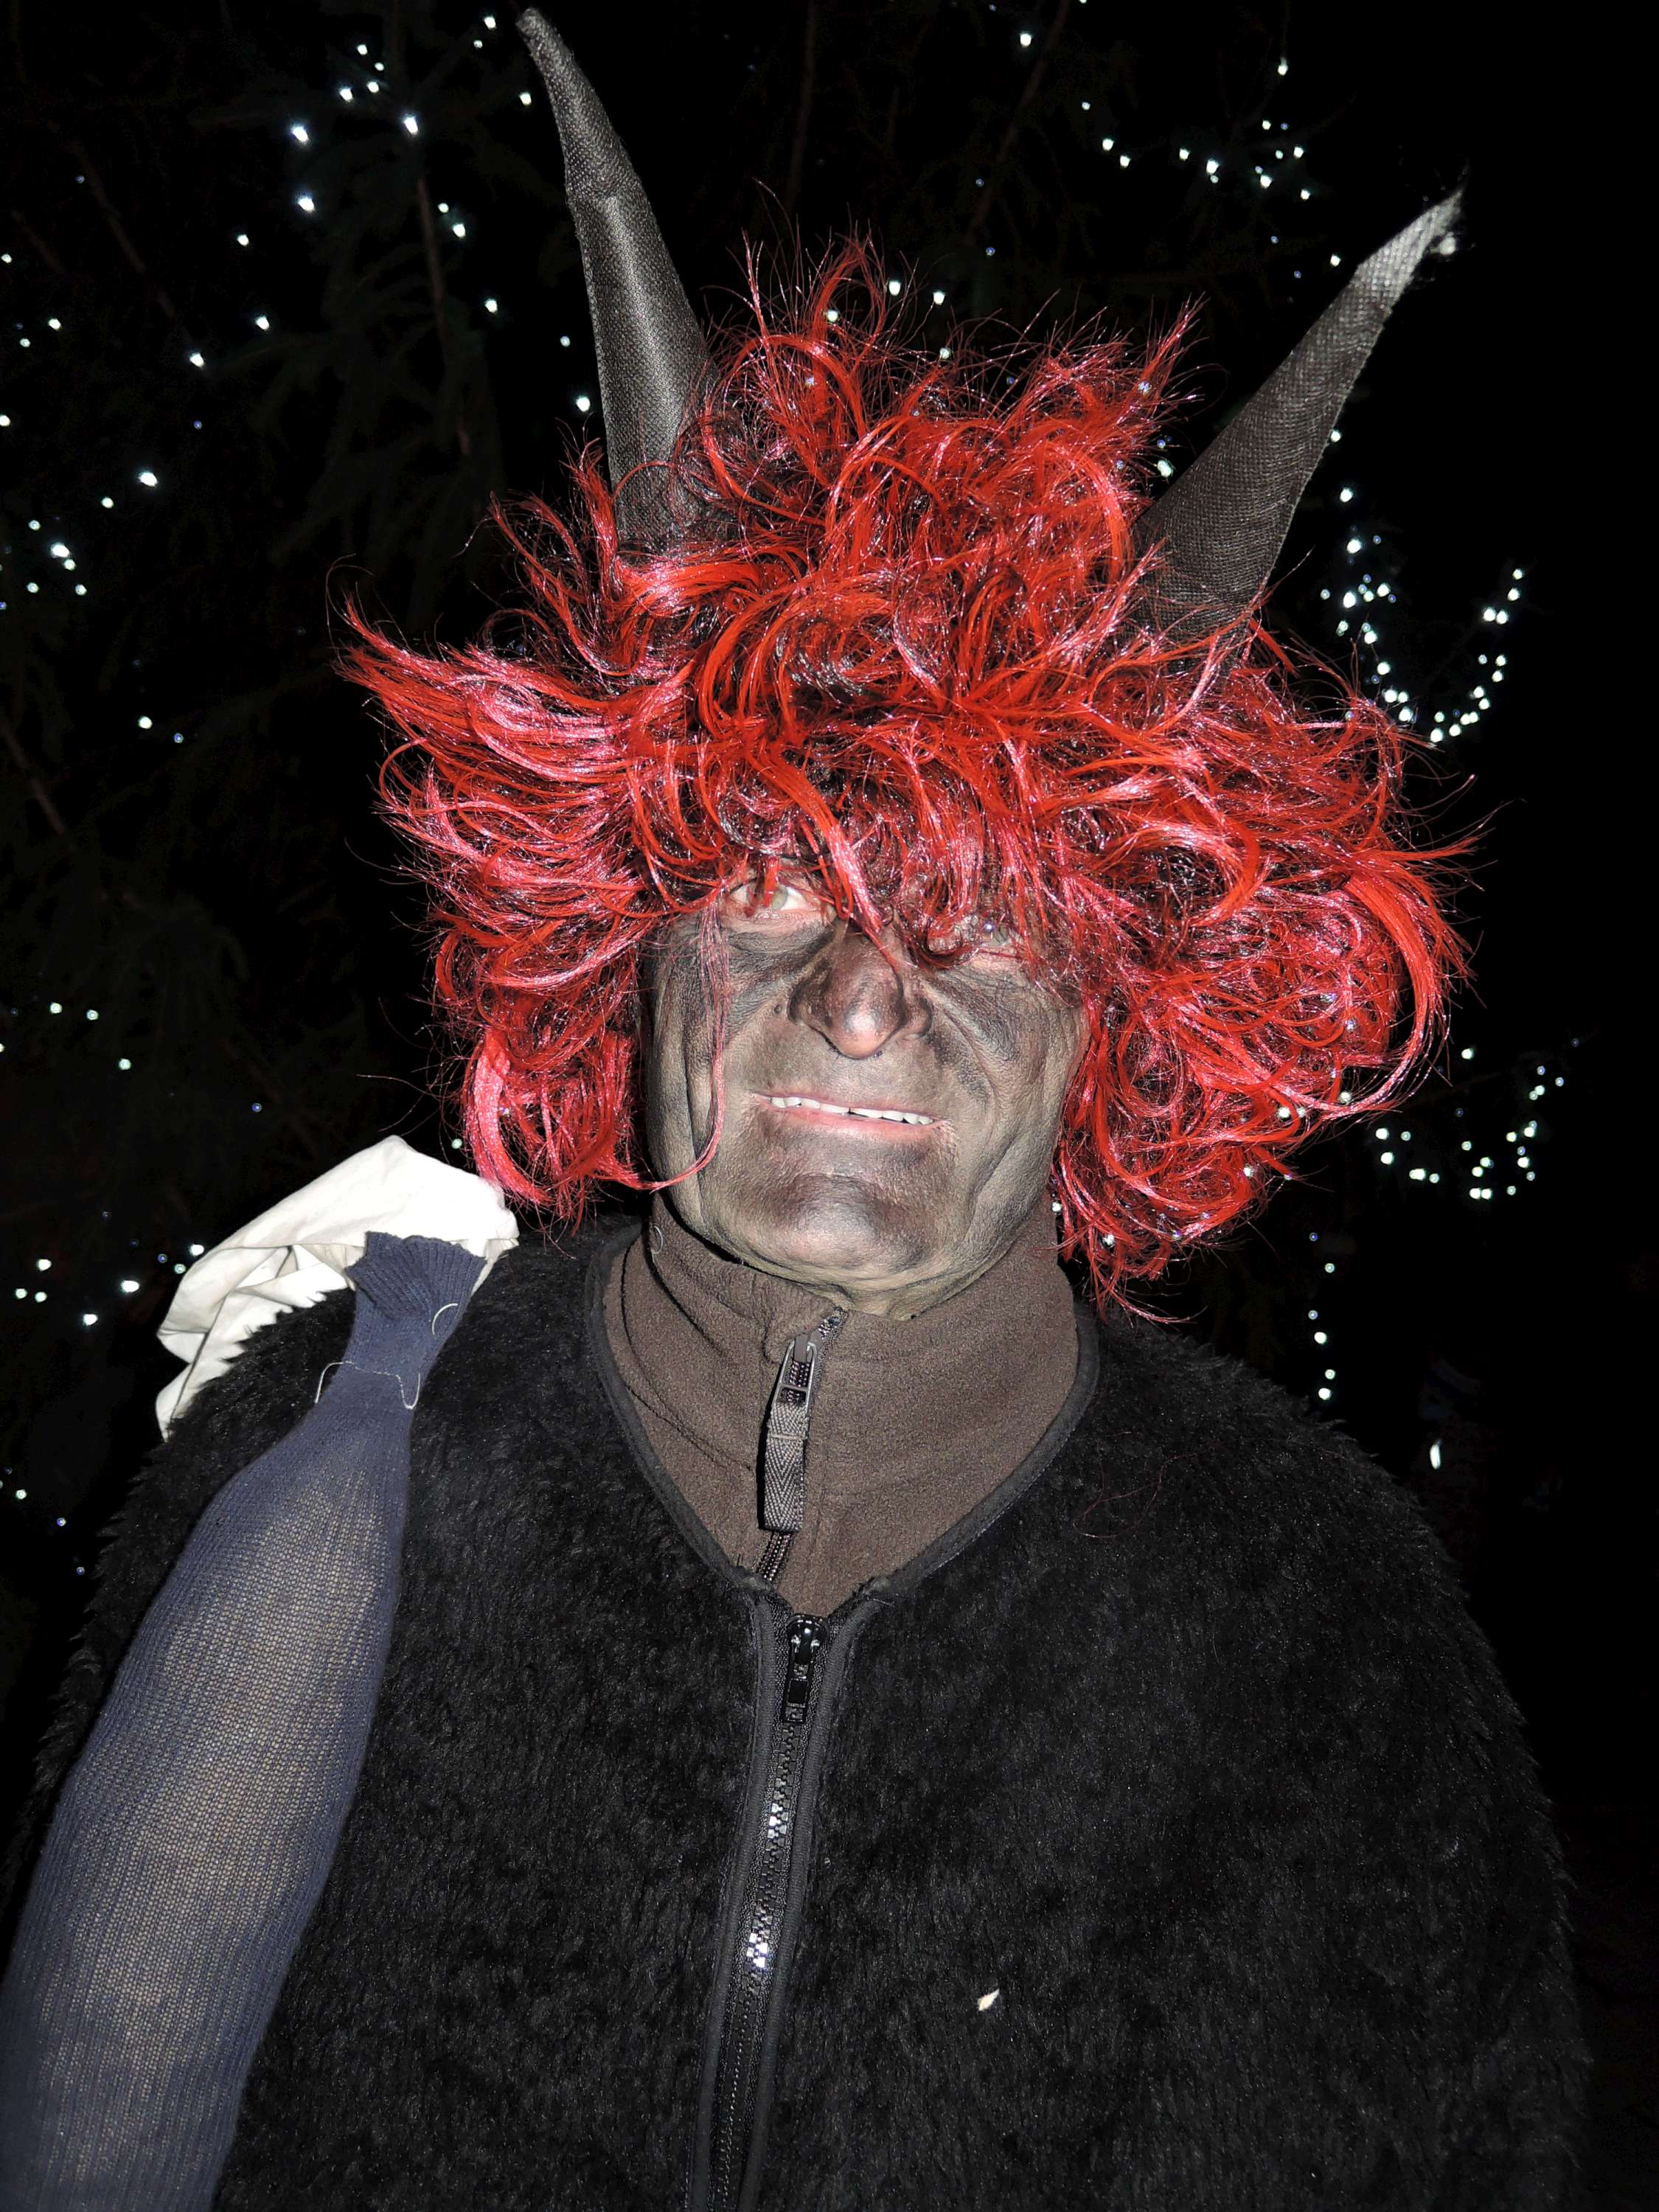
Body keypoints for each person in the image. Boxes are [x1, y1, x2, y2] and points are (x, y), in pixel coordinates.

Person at [0, 15, 1585, 2208]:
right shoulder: (304, 1459)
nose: (854, 999)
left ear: (1120, 1021)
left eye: (980, 914)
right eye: (764, 878)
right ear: (626, 955)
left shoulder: (1332, 1641)